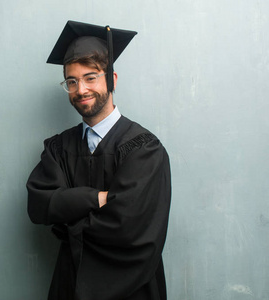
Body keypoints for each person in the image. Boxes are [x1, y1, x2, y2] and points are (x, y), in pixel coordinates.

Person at [26, 20, 172, 300]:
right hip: (70, 287)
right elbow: (39, 205)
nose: (80, 89)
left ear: (111, 79)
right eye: (72, 81)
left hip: (134, 290)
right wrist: (98, 199)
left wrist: (69, 219)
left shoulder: (144, 149)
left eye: (90, 77)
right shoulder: (59, 147)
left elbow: (131, 229)